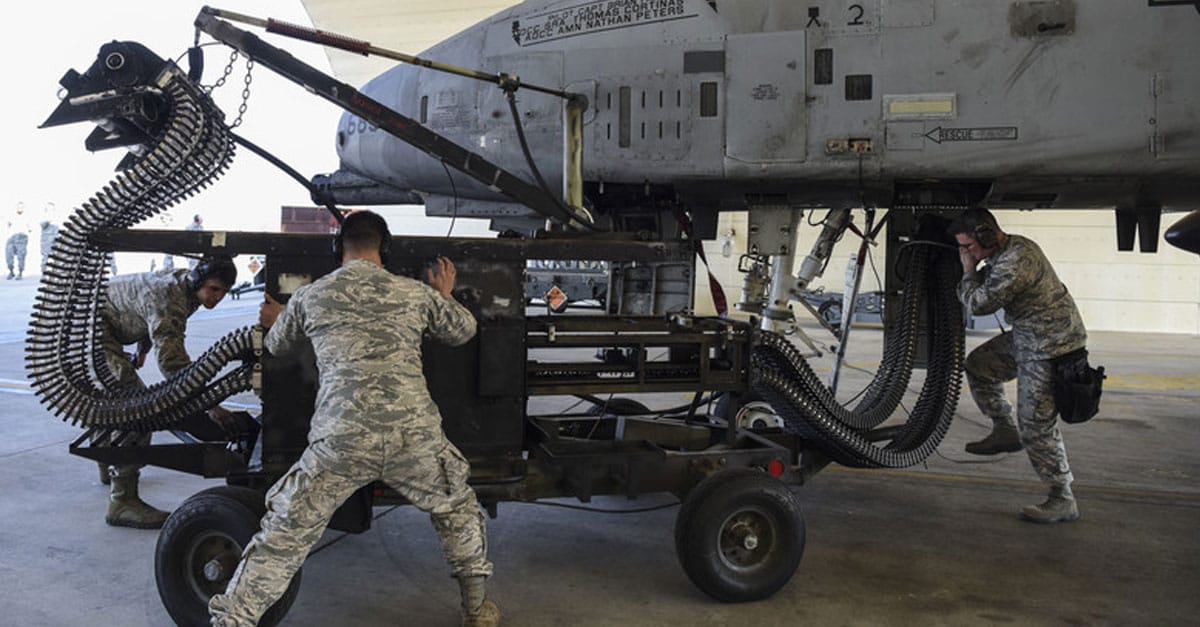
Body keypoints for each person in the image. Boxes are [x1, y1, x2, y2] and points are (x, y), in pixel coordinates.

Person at [209, 210, 499, 627]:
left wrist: (279, 319)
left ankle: (234, 620)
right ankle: (477, 611)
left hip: (341, 440)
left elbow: (276, 347)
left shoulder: (312, 296)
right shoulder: (414, 294)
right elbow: (463, 331)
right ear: (386, 248)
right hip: (412, 436)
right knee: (456, 508)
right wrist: (445, 295)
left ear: (337, 248)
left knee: (285, 533)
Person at [951, 208, 1087, 523]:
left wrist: (968, 271)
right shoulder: (1004, 253)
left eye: (969, 247)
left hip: (1051, 344)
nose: (967, 254)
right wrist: (973, 268)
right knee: (980, 365)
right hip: (1029, 335)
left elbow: (979, 304)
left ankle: (1062, 497)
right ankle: (1003, 427)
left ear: (987, 234)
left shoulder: (1016, 260)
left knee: (1036, 423)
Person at [98, 255, 244, 528]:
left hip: (103, 326)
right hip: (91, 332)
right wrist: (211, 405)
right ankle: (122, 501)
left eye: (224, 292)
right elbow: (173, 363)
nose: (218, 297)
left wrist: (141, 351)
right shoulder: (171, 296)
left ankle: (108, 462)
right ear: (200, 281)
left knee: (117, 398)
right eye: (214, 289)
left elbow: (147, 316)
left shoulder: (186, 286)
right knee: (138, 408)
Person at [6, 201, 32, 279]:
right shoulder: (12, 216)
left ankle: (20, 273)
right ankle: (11, 272)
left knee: (21, 256)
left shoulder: (27, 217)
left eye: (21, 207)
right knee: (9, 256)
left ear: (24, 208)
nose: (20, 208)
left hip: (22, 238)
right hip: (11, 238)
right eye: (18, 207)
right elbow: (7, 225)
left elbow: (30, 229)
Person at [39, 202, 60, 275]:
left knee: (57, 257)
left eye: (51, 209)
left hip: (56, 239)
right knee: (46, 257)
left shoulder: (57, 217)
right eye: (48, 209)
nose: (50, 210)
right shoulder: (43, 216)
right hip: (46, 240)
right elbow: (42, 225)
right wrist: (48, 221)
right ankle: (44, 273)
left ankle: (56, 273)